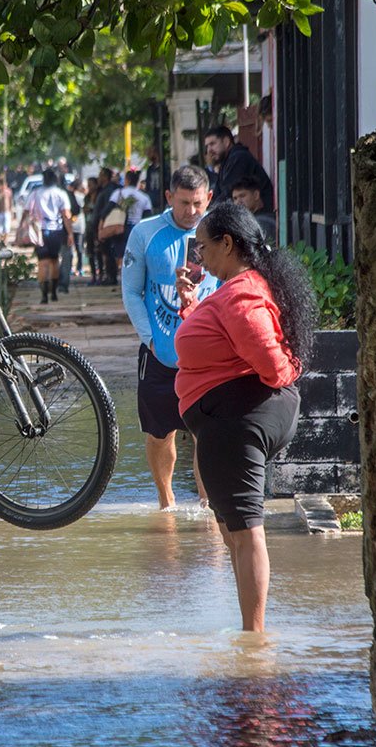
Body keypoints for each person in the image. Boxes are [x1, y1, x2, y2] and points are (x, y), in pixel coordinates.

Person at [173, 201, 316, 631]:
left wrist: (292, 372)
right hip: (229, 416)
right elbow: (219, 343)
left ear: (227, 243)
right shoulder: (235, 289)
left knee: (247, 528)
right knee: (234, 527)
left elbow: (273, 363)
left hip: (239, 417)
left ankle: (254, 641)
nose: (198, 257)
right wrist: (191, 306)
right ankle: (248, 631)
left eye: (202, 248)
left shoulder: (241, 294)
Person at [121, 165, 216, 509]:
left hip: (207, 353)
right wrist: (149, 338)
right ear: (168, 198)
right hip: (160, 350)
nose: (191, 212)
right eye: (183, 203)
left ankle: (209, 507)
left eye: (197, 203)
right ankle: (167, 502)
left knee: (208, 434)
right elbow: (131, 291)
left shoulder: (218, 232)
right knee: (161, 433)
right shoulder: (145, 233)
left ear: (209, 198)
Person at [29, 168, 74, 304]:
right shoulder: (61, 194)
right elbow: (66, 215)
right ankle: (53, 292)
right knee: (54, 261)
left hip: (39, 231)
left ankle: (44, 296)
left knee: (42, 263)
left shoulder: (35, 193)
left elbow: (27, 211)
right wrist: (70, 233)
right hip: (56, 231)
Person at [203, 126, 273, 210]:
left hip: (261, 216)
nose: (209, 150)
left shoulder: (239, 158)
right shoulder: (227, 162)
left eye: (212, 144)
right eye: (207, 146)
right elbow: (218, 194)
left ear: (226, 142)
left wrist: (209, 213)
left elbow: (227, 194)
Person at [109, 169, 154, 275]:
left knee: (120, 254)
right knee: (135, 254)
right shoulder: (144, 197)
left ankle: (121, 275)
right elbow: (148, 216)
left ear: (126, 180)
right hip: (137, 228)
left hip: (120, 228)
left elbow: (108, 208)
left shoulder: (118, 193)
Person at [92, 166, 121, 285]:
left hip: (106, 225)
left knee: (108, 253)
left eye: (101, 175)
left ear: (105, 177)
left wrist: (101, 223)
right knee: (105, 252)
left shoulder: (109, 190)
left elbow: (107, 208)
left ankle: (111, 277)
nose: (98, 178)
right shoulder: (103, 190)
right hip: (102, 224)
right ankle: (109, 276)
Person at [231, 177, 278, 244]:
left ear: (256, 195)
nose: (238, 202)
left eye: (242, 196)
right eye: (235, 198)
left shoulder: (262, 222)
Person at [83, 176, 101, 284]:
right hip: (89, 227)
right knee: (90, 252)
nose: (89, 187)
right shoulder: (87, 197)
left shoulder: (100, 196)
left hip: (98, 227)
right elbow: (85, 209)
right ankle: (93, 275)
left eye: (91, 184)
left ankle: (101, 275)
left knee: (99, 252)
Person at [0, 176, 13, 245]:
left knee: (7, 227)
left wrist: (11, 211)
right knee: (0, 229)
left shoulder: (8, 192)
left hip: (6, 212)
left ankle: (5, 241)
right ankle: (2, 240)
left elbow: (10, 202)